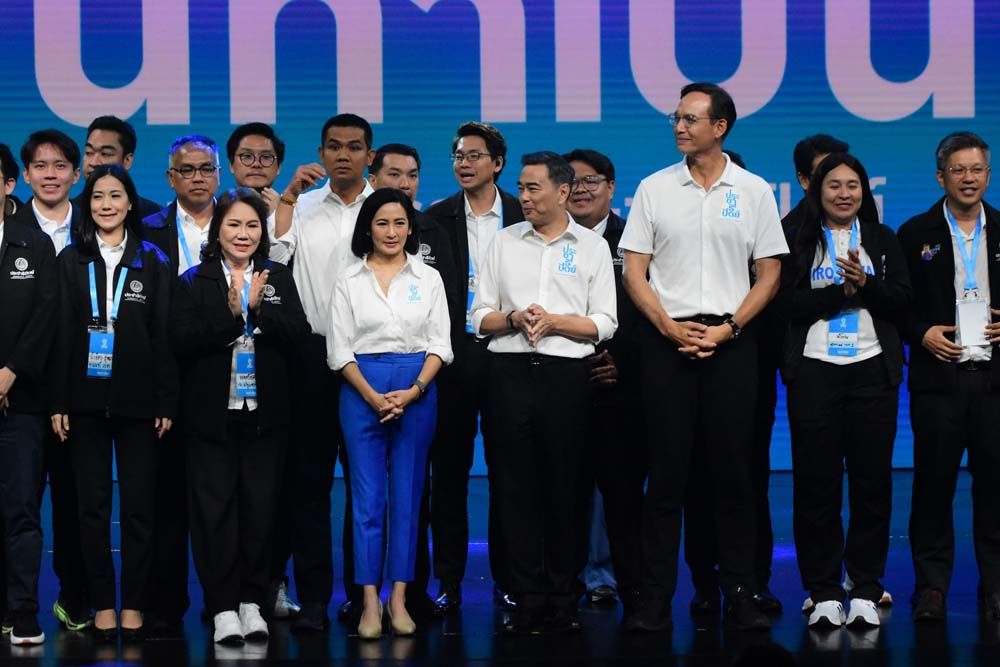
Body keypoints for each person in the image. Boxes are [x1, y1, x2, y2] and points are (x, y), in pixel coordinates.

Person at [620, 82, 787, 632]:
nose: (679, 127)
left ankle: (739, 591)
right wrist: (668, 327)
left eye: (690, 119)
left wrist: (729, 328)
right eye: (676, 118)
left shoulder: (754, 190)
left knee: (733, 476)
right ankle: (654, 600)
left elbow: (769, 274)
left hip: (730, 343)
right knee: (666, 477)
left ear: (721, 127)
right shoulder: (654, 188)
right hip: (665, 342)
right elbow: (634, 271)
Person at [471, 151, 617, 633]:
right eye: (521, 188)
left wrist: (556, 322)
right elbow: (479, 316)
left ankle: (563, 593)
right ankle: (526, 594)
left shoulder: (592, 247)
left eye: (533, 188)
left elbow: (605, 321)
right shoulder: (503, 241)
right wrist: (514, 318)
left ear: (562, 191)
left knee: (567, 487)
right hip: (508, 373)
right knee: (514, 488)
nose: (524, 197)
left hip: (567, 377)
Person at [773, 153, 911, 628]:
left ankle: (866, 587)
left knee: (872, 482)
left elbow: (902, 300)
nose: (844, 193)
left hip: (872, 371)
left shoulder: (882, 238)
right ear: (817, 191)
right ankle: (824, 591)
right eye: (834, 185)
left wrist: (865, 284)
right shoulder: (797, 239)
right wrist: (839, 293)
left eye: (853, 185)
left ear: (864, 191)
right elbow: (784, 304)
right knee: (817, 484)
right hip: (815, 371)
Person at [171, 188, 309, 644]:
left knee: (261, 510)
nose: (243, 233)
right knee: (214, 513)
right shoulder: (194, 280)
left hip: (266, 417)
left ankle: (253, 601)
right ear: (218, 231)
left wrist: (257, 310)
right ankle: (222, 606)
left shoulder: (277, 277)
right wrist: (232, 319)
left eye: (252, 225)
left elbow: (299, 333)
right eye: (233, 224)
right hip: (210, 418)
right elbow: (182, 341)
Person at [49, 164, 178, 641]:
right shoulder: (71, 259)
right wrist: (58, 401)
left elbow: (163, 335)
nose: (106, 204)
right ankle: (103, 603)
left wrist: (166, 401)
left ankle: (134, 605)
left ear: (130, 203)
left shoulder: (152, 259)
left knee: (140, 509)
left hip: (140, 404)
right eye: (98, 196)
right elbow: (60, 335)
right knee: (92, 509)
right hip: (83, 403)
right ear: (88, 204)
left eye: (116, 195)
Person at [328, 187, 453, 639]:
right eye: (382, 222)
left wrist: (414, 391)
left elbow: (441, 344)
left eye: (400, 223)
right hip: (361, 388)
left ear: (410, 228)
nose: (391, 231)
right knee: (366, 501)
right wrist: (372, 395)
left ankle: (398, 598)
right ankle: (368, 600)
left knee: (408, 498)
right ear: (368, 228)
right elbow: (339, 350)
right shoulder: (349, 279)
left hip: (416, 388)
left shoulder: (428, 278)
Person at [269, 113, 376, 632]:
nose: (343, 155)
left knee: (366, 486)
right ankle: (313, 597)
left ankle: (363, 596)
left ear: (369, 156)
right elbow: (271, 260)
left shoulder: (388, 210)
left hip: (372, 358)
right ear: (320, 152)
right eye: (333, 146)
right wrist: (288, 198)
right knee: (308, 484)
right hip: (311, 358)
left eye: (354, 147)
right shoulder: (302, 207)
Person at [420, 121, 523, 613]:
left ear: (497, 164)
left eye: (475, 155)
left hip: (512, 353)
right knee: (449, 473)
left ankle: (511, 579)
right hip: (453, 357)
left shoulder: (524, 213)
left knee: (510, 473)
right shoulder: (433, 219)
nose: (464, 163)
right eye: (458, 155)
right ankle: (449, 580)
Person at [899, 131, 1000, 623]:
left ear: (988, 174)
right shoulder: (914, 233)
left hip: (995, 381)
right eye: (958, 170)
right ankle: (931, 588)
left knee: (996, 487)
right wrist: (921, 334)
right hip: (939, 380)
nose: (968, 178)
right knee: (933, 487)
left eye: (976, 169)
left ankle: (995, 585)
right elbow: (897, 305)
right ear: (941, 177)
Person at [139, 134, 220, 637]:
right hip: (163, 377)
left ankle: (224, 603)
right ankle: (165, 607)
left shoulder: (238, 221)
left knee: (218, 501)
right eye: (186, 170)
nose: (197, 177)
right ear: (170, 178)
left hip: (224, 373)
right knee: (165, 500)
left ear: (218, 175)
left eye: (205, 168)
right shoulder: (146, 227)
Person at [15, 129, 91, 632]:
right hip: (21, 390)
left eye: (60, 166)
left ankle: (74, 596)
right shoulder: (11, 228)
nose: (50, 175)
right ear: (25, 176)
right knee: (16, 502)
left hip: (82, 387)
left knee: (74, 499)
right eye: (40, 166)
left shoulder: (96, 222)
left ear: (76, 174)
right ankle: (15, 602)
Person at [562, 148, 644, 619]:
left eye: (591, 181)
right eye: (571, 181)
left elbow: (651, 310)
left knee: (624, 497)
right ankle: (564, 588)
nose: (581, 189)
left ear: (611, 187)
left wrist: (622, 364)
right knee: (564, 494)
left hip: (624, 387)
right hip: (563, 382)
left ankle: (633, 591)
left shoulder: (635, 239)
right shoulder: (545, 239)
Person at [0, 142, 58, 646]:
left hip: (20, 401)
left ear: (8, 184)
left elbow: (45, 317)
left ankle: (22, 609)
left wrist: (10, 371)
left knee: (21, 510)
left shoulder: (34, 244)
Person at [75, 115, 162, 219]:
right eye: (89, 152)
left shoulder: (155, 216)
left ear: (127, 161)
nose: (93, 162)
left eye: (105, 154)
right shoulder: (70, 214)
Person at [226, 123, 285, 216]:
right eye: (247, 156)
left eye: (266, 157)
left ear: (279, 167)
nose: (256, 164)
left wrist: (279, 217)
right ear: (231, 165)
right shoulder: (216, 214)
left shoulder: (295, 215)